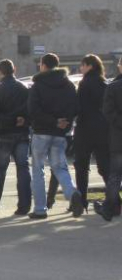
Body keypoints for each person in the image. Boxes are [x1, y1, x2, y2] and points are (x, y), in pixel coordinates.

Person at [28, 53, 83, 220]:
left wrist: (52, 121)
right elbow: (75, 107)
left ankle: (40, 209)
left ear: (43, 65)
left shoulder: (37, 85)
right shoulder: (68, 85)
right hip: (60, 132)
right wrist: (64, 121)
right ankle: (72, 193)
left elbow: (33, 110)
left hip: (41, 132)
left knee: (38, 170)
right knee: (60, 167)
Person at [0, 60, 32, 214]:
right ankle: (24, 205)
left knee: (0, 169)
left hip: (4, 132)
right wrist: (22, 119)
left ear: (0, 72)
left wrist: (9, 119)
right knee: (23, 168)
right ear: (14, 69)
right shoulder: (24, 88)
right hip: (22, 132)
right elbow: (30, 109)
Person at [72, 54, 110, 210]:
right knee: (105, 167)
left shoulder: (84, 83)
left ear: (89, 66)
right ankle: (114, 198)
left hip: (85, 129)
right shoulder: (104, 83)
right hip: (103, 130)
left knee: (82, 166)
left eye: (82, 65)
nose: (81, 68)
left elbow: (78, 107)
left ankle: (82, 200)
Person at [99, 57, 122, 221]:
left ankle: (110, 207)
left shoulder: (113, 88)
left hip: (118, 138)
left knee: (115, 176)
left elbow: (107, 112)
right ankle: (109, 206)